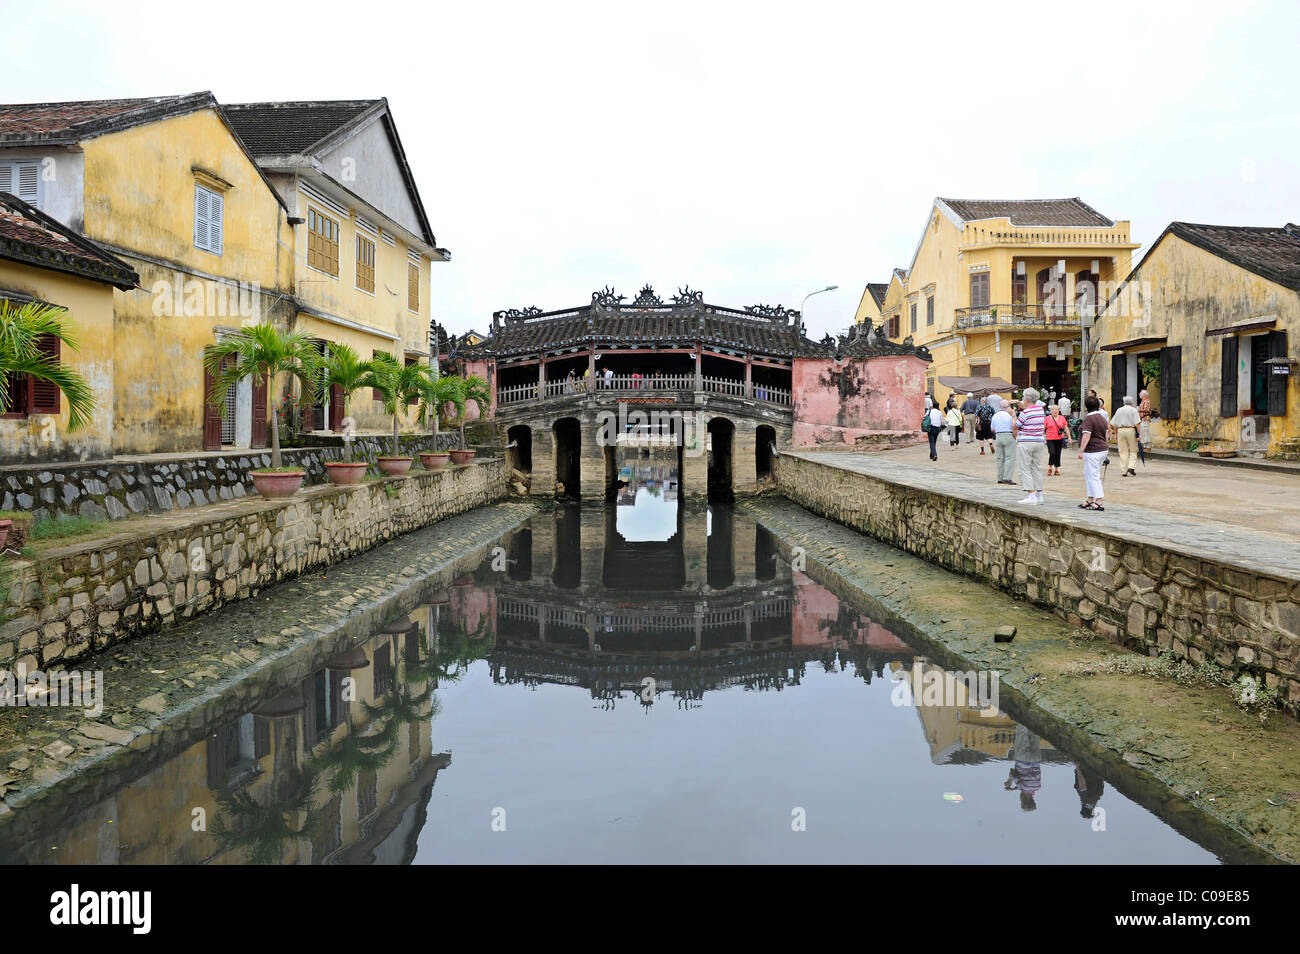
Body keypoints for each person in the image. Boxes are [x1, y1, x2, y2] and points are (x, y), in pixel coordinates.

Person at [1013, 386, 1046, 504]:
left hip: (1026, 441)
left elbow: (1016, 425)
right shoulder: (1040, 410)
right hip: (1039, 441)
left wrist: (1013, 415)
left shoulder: (1025, 412)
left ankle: (1031, 495)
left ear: (1026, 399)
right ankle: (1039, 495)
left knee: (1024, 468)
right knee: (1036, 468)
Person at [1077, 395, 1110, 511]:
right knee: (1089, 474)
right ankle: (1090, 498)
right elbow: (1106, 433)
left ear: (1086, 407)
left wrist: (1081, 450)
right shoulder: (1101, 417)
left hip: (1093, 450)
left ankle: (1099, 501)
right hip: (1101, 449)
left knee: (1094, 476)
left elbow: (1086, 435)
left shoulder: (1089, 419)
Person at [1110, 395, 1142, 476]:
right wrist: (1139, 434)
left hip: (1121, 430)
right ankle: (1131, 466)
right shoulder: (1134, 410)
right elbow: (1137, 423)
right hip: (1130, 430)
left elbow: (1114, 424)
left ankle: (1124, 471)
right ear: (1131, 403)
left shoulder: (1119, 410)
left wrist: (1116, 434)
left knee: (1122, 451)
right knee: (1133, 449)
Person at [990, 396, 1016, 483]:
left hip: (998, 436)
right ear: (1008, 407)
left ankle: (1000, 477)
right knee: (1009, 457)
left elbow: (992, 429)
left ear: (1000, 406)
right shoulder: (1009, 416)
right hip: (1008, 435)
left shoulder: (995, 416)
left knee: (1000, 458)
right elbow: (1014, 426)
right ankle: (1007, 477)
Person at [1044, 402, 1069, 477]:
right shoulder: (1047, 418)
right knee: (1052, 453)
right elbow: (1043, 428)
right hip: (1050, 438)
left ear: (1059, 410)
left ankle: (1056, 470)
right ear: (1050, 411)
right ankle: (1050, 467)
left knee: (1058, 454)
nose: (1055, 411)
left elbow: (1066, 427)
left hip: (1059, 438)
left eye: (1056, 409)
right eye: (1053, 409)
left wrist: (1069, 437)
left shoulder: (1062, 418)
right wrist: (1040, 436)